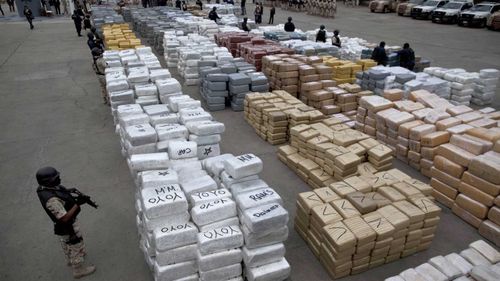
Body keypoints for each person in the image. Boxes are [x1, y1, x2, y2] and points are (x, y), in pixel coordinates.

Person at [35, 167, 96, 278]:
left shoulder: (43, 189)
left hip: (60, 228)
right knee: (76, 243)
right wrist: (78, 203)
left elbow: (56, 192)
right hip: (67, 226)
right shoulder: (52, 200)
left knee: (66, 243)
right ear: (48, 181)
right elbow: (65, 218)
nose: (59, 178)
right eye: (56, 178)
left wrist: (66, 191)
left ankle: (70, 260)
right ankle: (78, 270)